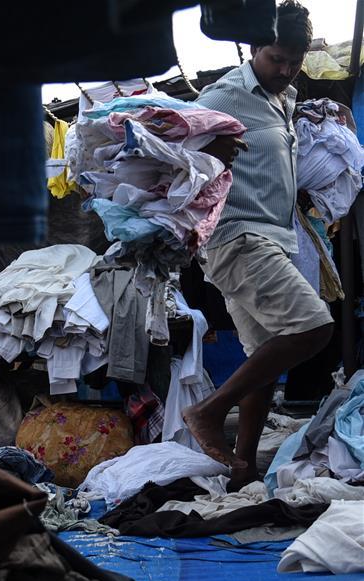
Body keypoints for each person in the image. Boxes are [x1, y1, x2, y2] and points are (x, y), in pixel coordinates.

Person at [183, 0, 334, 491]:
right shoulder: (221, 96)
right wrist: (205, 151)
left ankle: (242, 468)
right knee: (313, 328)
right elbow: (173, 150)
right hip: (238, 236)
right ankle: (208, 411)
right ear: (253, 48)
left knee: (263, 360)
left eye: (295, 61)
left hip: (271, 236)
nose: (286, 70)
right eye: (277, 59)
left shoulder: (283, 99)